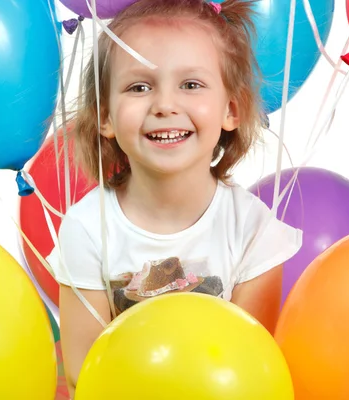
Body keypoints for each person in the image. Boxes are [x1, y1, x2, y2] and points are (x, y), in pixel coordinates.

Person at [46, 0, 302, 396]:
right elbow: (84, 371)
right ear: (106, 117)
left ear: (230, 110)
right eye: (139, 87)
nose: (165, 105)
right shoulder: (86, 229)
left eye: (191, 84)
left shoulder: (254, 230)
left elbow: (253, 363)